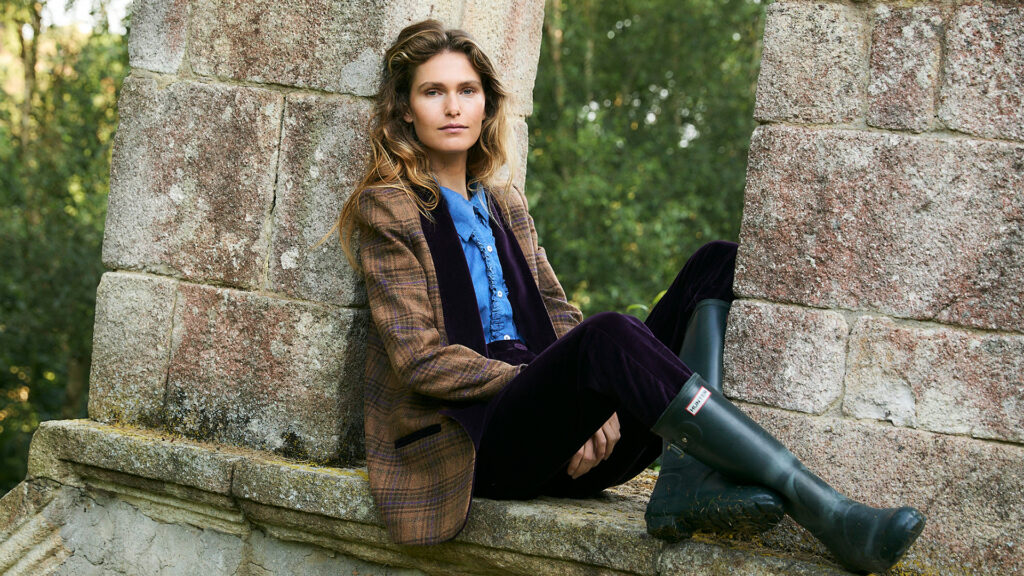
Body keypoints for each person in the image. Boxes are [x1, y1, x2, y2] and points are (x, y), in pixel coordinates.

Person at [336, 19, 925, 575]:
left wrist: (596, 402)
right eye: (433, 92)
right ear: (406, 110)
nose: (453, 106)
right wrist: (553, 388)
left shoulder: (504, 204)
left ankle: (685, 477)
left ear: (486, 104)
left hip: (576, 442)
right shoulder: (388, 208)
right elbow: (419, 359)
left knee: (716, 263)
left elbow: (559, 313)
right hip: (476, 445)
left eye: (467, 90)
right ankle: (824, 510)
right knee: (610, 333)